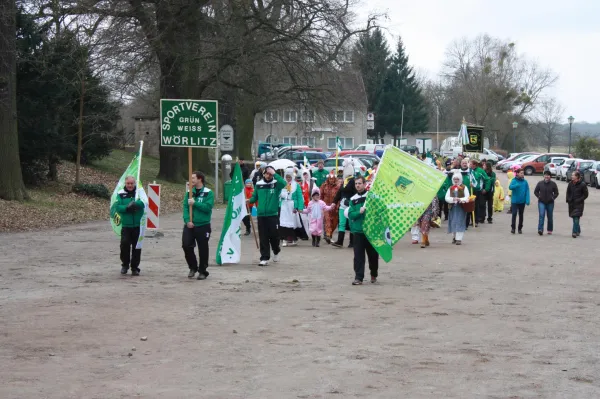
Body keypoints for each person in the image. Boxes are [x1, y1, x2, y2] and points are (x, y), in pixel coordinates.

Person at [248, 165, 286, 266]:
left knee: (274, 236)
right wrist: (248, 201)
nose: (268, 175)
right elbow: (254, 197)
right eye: (267, 173)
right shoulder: (259, 184)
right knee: (263, 236)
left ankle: (276, 251)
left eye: (270, 173)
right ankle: (264, 257)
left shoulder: (276, 184)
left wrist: (275, 173)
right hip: (261, 215)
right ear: (263, 173)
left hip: (273, 214)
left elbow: (284, 183)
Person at [346, 176, 378, 285]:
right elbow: (350, 214)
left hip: (370, 231)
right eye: (356, 184)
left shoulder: (370, 196)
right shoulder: (353, 199)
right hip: (358, 232)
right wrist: (358, 212)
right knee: (358, 257)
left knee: (373, 256)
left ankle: (374, 273)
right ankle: (358, 277)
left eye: (360, 183)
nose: (358, 185)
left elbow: (377, 211)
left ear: (364, 184)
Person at [182, 171, 214, 280]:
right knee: (186, 245)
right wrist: (187, 221)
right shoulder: (190, 192)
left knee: (203, 249)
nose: (191, 180)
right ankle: (193, 267)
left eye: (193, 178)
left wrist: (195, 203)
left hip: (203, 225)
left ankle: (203, 271)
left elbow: (207, 208)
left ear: (200, 179)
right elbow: (185, 207)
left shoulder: (208, 192)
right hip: (190, 225)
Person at [115, 176, 146, 275]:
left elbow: (144, 202)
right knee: (124, 245)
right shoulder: (120, 194)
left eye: (132, 183)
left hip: (138, 225)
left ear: (135, 183)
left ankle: (135, 267)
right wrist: (127, 208)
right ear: (125, 183)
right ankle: (125, 265)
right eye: (128, 183)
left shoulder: (139, 192)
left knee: (137, 247)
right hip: (126, 226)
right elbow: (117, 207)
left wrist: (136, 204)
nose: (130, 185)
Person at [331, 159, 357, 248]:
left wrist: (351, 201)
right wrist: (334, 202)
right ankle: (340, 241)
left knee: (351, 224)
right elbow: (339, 192)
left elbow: (356, 193)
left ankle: (353, 242)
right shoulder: (344, 181)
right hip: (342, 205)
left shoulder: (353, 181)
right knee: (341, 223)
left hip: (350, 205)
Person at [279, 169, 304, 246]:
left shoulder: (296, 185)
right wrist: (281, 195)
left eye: (289, 177)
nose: (288, 179)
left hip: (292, 205)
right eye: (287, 177)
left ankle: (292, 238)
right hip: (284, 205)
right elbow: (278, 194)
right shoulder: (282, 184)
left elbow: (300, 197)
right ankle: (284, 239)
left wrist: (300, 207)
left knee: (292, 223)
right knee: (283, 222)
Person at [445, 172, 470, 245]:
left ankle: (459, 239)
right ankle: (454, 237)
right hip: (453, 208)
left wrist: (460, 199)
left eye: (457, 179)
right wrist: (452, 199)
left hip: (461, 208)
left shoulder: (464, 187)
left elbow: (467, 197)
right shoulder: (451, 188)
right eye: (454, 179)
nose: (456, 181)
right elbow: (446, 197)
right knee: (453, 222)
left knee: (460, 222)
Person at [533, 171, 559, 236]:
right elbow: (536, 191)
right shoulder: (540, 183)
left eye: (548, 175)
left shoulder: (553, 184)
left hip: (550, 202)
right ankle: (540, 229)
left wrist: (553, 198)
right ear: (543, 176)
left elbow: (556, 193)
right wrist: (539, 196)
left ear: (550, 176)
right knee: (541, 215)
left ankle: (549, 229)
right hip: (541, 202)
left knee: (550, 216)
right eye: (545, 175)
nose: (546, 176)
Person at [320, 171, 341, 244]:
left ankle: (329, 235)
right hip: (326, 206)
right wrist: (321, 205)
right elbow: (321, 195)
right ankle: (328, 235)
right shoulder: (324, 185)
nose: (331, 180)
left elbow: (339, 197)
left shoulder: (338, 186)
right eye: (330, 179)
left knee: (334, 222)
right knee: (327, 221)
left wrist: (337, 206)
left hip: (335, 206)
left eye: (332, 179)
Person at [566, 170, 589, 238]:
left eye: (573, 175)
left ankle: (574, 232)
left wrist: (579, 200)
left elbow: (586, 195)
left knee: (576, 217)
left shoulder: (583, 184)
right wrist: (568, 199)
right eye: (572, 175)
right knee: (574, 218)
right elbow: (568, 192)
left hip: (579, 204)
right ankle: (578, 230)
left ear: (577, 177)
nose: (572, 176)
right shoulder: (570, 183)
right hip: (571, 204)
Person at [469, 159, 491, 226]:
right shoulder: (469, 171)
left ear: (474, 165)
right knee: (471, 206)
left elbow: (487, 180)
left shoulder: (480, 171)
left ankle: (476, 221)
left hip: (478, 191)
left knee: (477, 206)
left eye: (470, 164)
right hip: (470, 191)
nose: (469, 165)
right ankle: (472, 220)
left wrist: (486, 189)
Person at [509, 168, 530, 234]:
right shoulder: (514, 180)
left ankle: (520, 228)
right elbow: (510, 187)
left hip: (522, 201)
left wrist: (527, 200)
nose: (522, 174)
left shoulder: (525, 182)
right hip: (514, 201)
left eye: (523, 173)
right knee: (514, 214)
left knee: (521, 215)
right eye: (521, 173)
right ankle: (513, 228)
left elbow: (527, 191)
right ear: (517, 173)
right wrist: (516, 185)